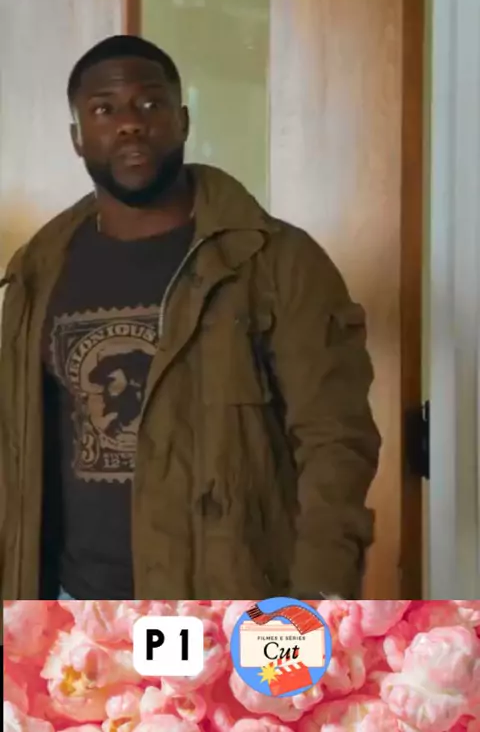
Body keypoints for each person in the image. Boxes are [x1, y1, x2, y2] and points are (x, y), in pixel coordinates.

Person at [0, 35, 381, 602]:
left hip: (231, 602)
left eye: (149, 103)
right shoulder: (37, 271)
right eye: (104, 109)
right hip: (74, 606)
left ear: (181, 120)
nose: (130, 123)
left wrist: (316, 601)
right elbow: (16, 449)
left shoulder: (276, 261)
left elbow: (335, 442)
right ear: (77, 138)